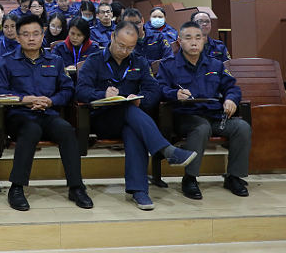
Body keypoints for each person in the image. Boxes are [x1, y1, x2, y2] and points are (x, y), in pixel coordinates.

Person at [75, 22, 196, 210]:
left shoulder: (139, 61)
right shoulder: (94, 61)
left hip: (133, 119)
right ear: (112, 37)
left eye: (130, 47)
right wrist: (102, 94)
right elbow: (81, 91)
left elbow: (154, 91)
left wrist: (141, 100)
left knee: (132, 126)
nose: (124, 51)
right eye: (121, 45)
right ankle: (165, 149)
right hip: (103, 120)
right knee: (128, 111)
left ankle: (139, 191)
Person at [0, 14, 93, 212]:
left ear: (42, 36)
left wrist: (51, 101)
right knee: (31, 130)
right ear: (18, 37)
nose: (31, 38)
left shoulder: (55, 61)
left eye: (36, 33)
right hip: (19, 116)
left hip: (48, 114)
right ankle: (17, 188)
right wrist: (25, 99)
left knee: (66, 130)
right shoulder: (7, 61)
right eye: (26, 34)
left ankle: (76, 187)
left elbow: (67, 90)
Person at [157, 21, 252, 200]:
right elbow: (159, 89)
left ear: (204, 40)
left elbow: (232, 87)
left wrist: (231, 99)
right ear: (179, 41)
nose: (194, 42)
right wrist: (174, 94)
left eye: (198, 38)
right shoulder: (168, 65)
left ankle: (234, 177)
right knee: (201, 128)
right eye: (188, 38)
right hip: (186, 118)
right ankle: (190, 178)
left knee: (242, 127)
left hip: (215, 116)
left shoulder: (215, 65)